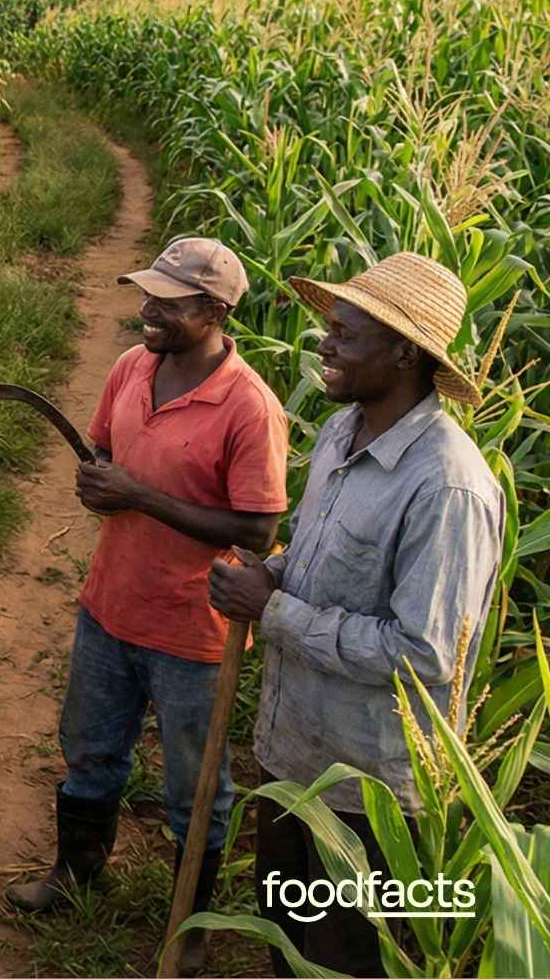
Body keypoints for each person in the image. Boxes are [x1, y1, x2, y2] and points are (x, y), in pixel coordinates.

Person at [209, 251, 502, 978]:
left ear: (404, 353)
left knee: (347, 959)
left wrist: (273, 611)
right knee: (287, 935)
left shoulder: (448, 487)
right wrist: (269, 573)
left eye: (346, 333)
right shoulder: (344, 431)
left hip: (368, 791)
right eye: (328, 328)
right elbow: (311, 552)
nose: (324, 344)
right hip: (294, 755)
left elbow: (426, 653)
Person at [2, 238, 290, 977]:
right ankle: (76, 870)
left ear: (216, 312)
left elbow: (257, 529)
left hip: (193, 629)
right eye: (147, 295)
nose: (148, 311)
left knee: (194, 786)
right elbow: (102, 451)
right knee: (89, 747)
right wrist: (99, 484)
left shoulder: (249, 406)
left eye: (169, 301)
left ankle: (189, 925)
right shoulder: (134, 367)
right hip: (110, 604)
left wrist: (141, 498)